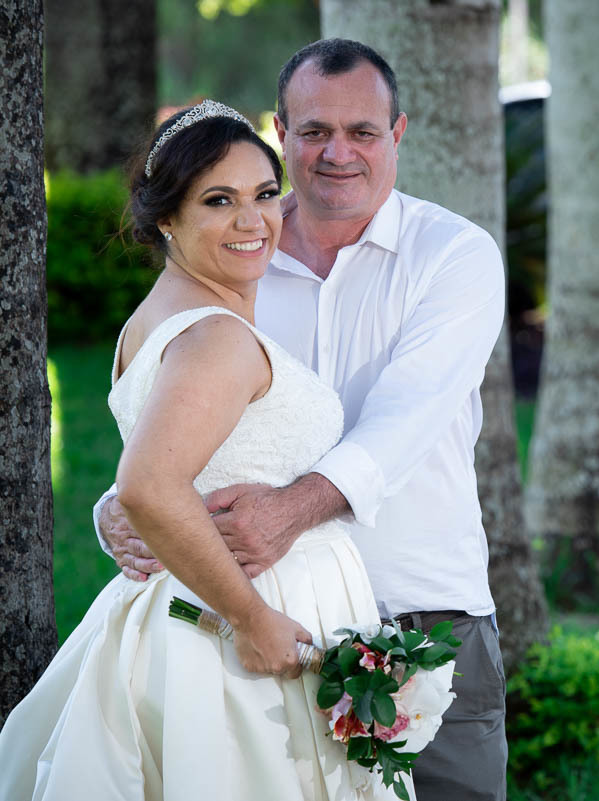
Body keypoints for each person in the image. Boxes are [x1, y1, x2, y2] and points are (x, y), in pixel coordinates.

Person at [97, 39, 509, 801]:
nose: (338, 153)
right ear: (283, 135)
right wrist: (119, 507)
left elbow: (403, 422)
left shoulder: (454, 255)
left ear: (399, 134)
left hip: (423, 601)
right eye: (315, 131)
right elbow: (175, 414)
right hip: (265, 620)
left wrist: (288, 509)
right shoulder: (238, 253)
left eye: (363, 131)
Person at [0, 101, 401, 800]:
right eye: (219, 200)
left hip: (196, 601)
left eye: (265, 194)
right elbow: (152, 483)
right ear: (166, 218)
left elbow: (172, 465)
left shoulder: (158, 318)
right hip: (236, 628)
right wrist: (253, 620)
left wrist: (116, 507)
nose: (253, 221)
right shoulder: (215, 335)